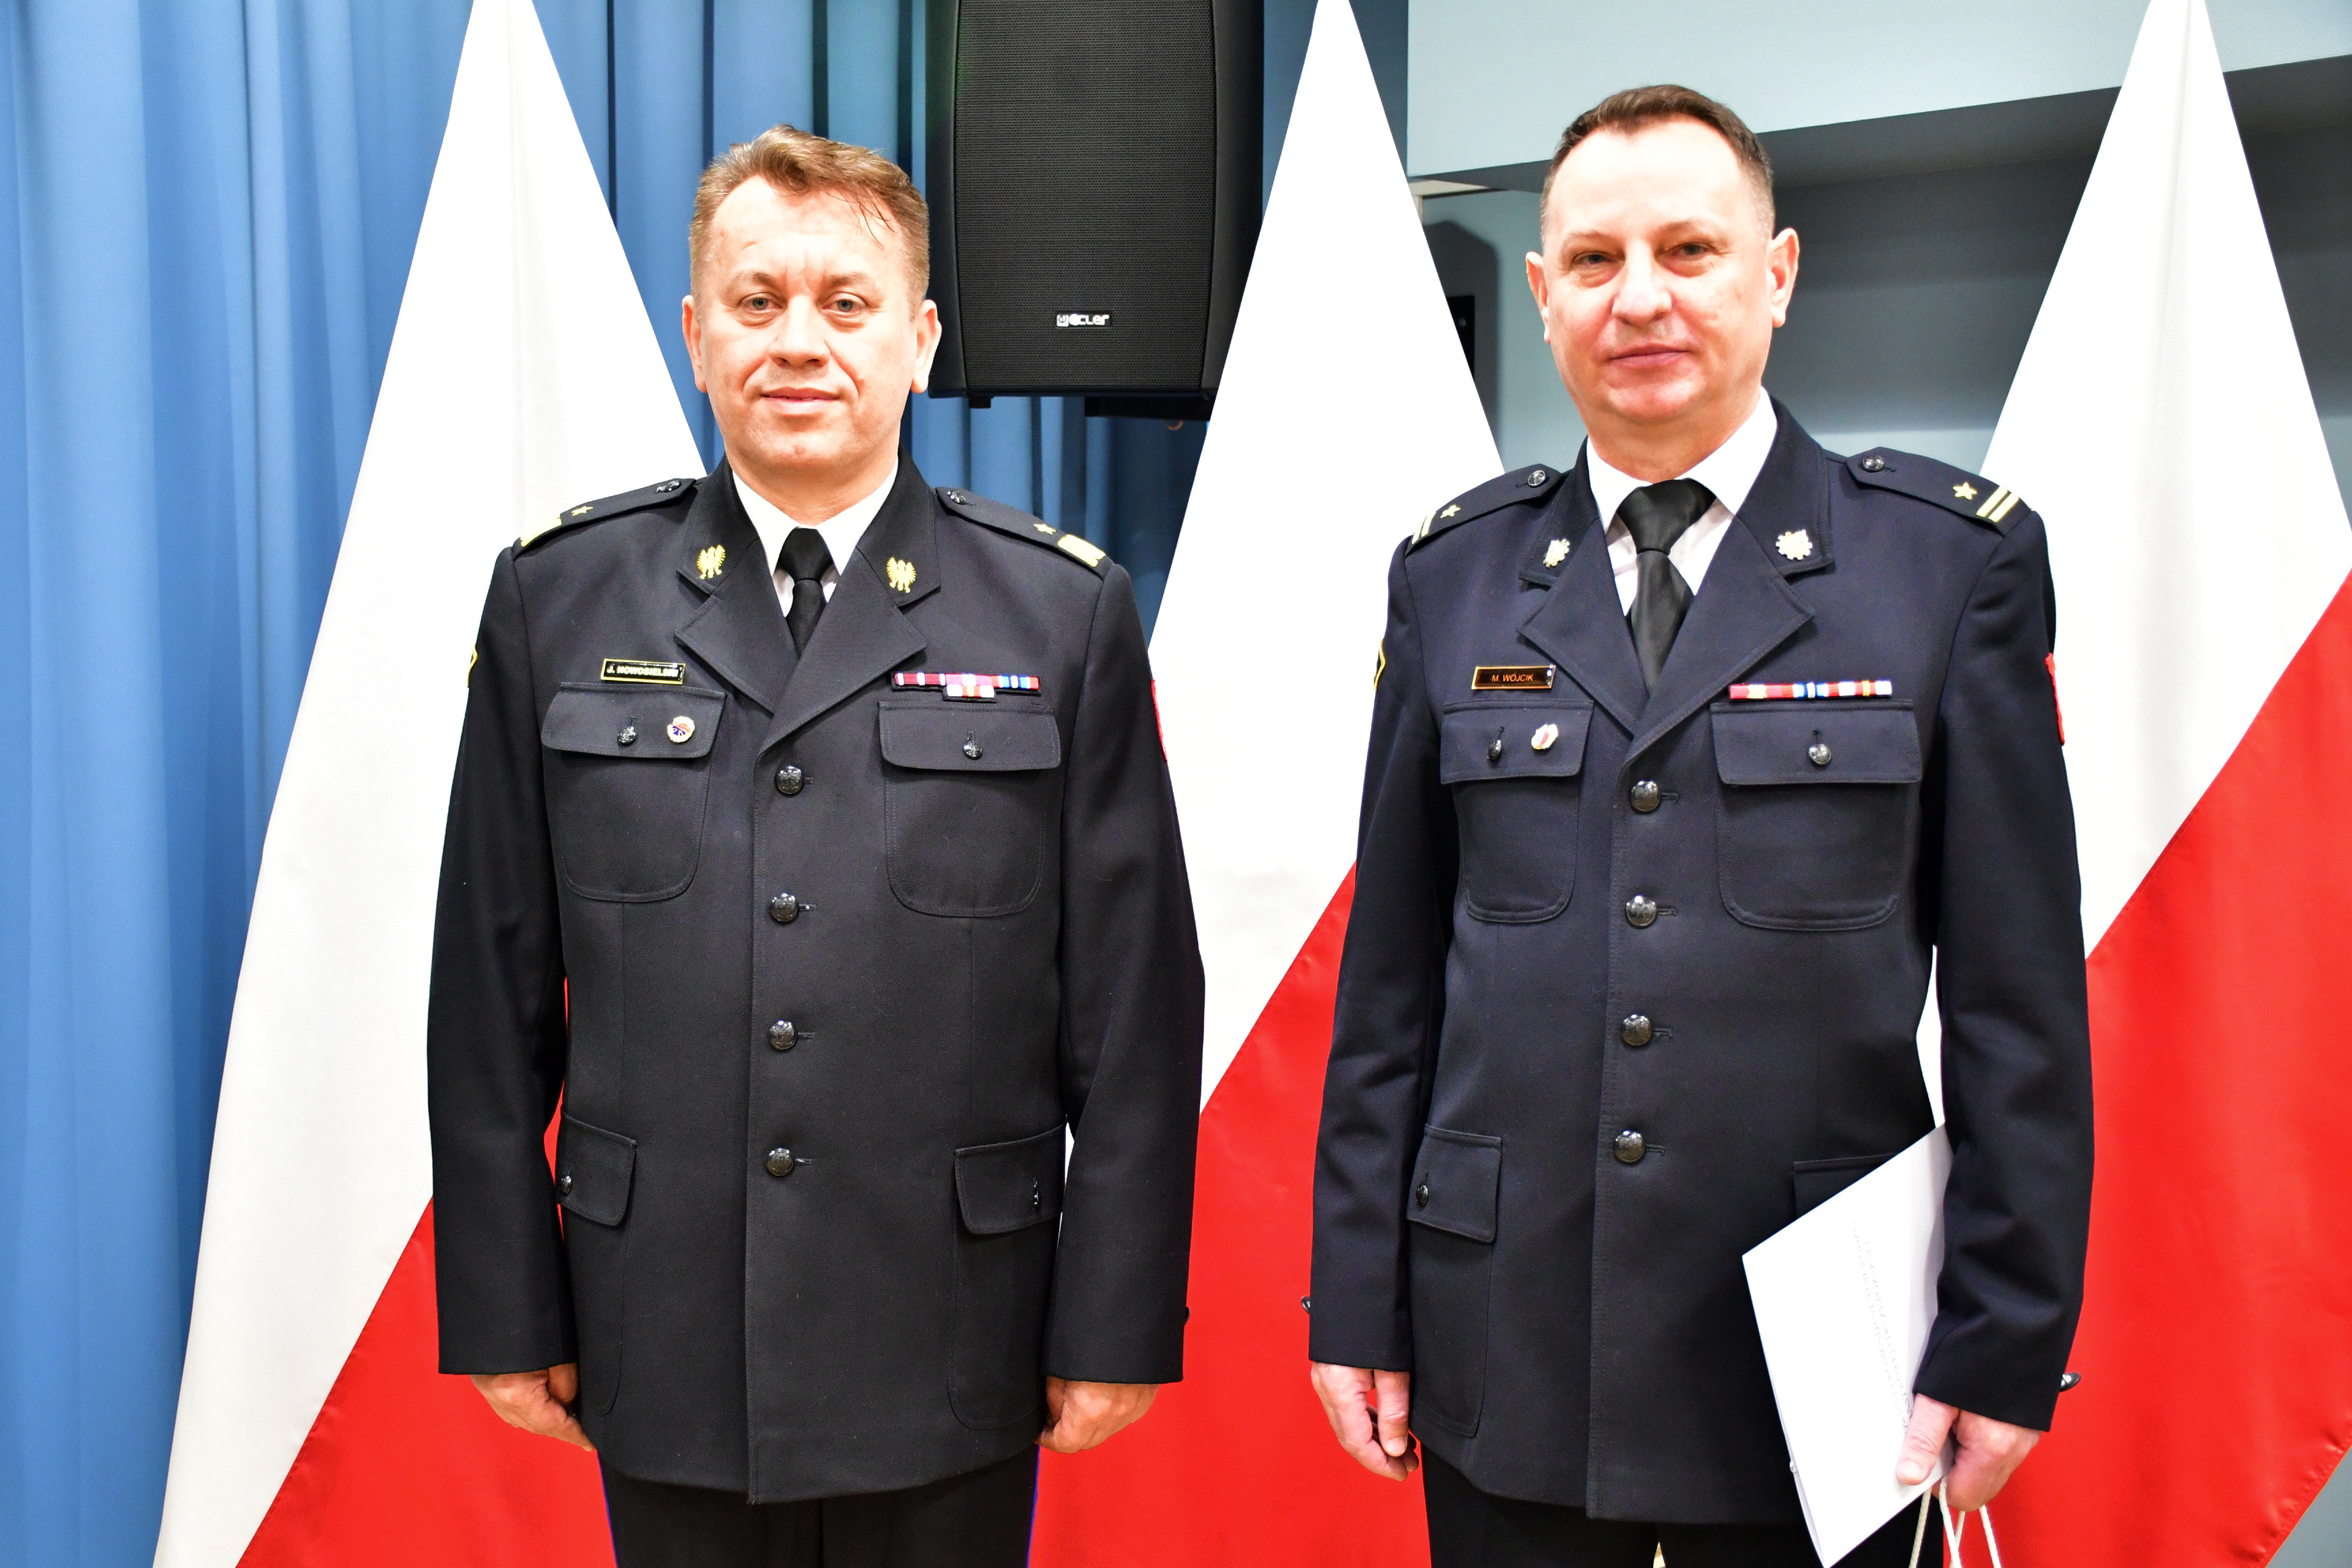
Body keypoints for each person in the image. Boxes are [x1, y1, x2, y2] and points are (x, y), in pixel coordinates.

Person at [1308, 85, 2092, 1567]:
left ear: (1776, 274)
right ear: (1542, 293)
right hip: (1510, 1326)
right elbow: (1390, 988)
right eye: (1595, 261)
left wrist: (2006, 1331)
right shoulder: (1452, 577)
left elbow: (2019, 1006)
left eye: (1689, 249)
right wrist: (1356, 1295)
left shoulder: (1944, 567)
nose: (1641, 297)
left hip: (1819, 1337)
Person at [426, 124, 1203, 1567]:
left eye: (847, 303)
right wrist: (502, 1301)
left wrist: (1115, 1316)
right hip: (660, 1324)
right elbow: (487, 996)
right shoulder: (561, 599)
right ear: (696, 334)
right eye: (757, 299)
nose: (799, 340)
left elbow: (1134, 1014)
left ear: (920, 338)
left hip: (956, 1325)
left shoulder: (1059, 613)